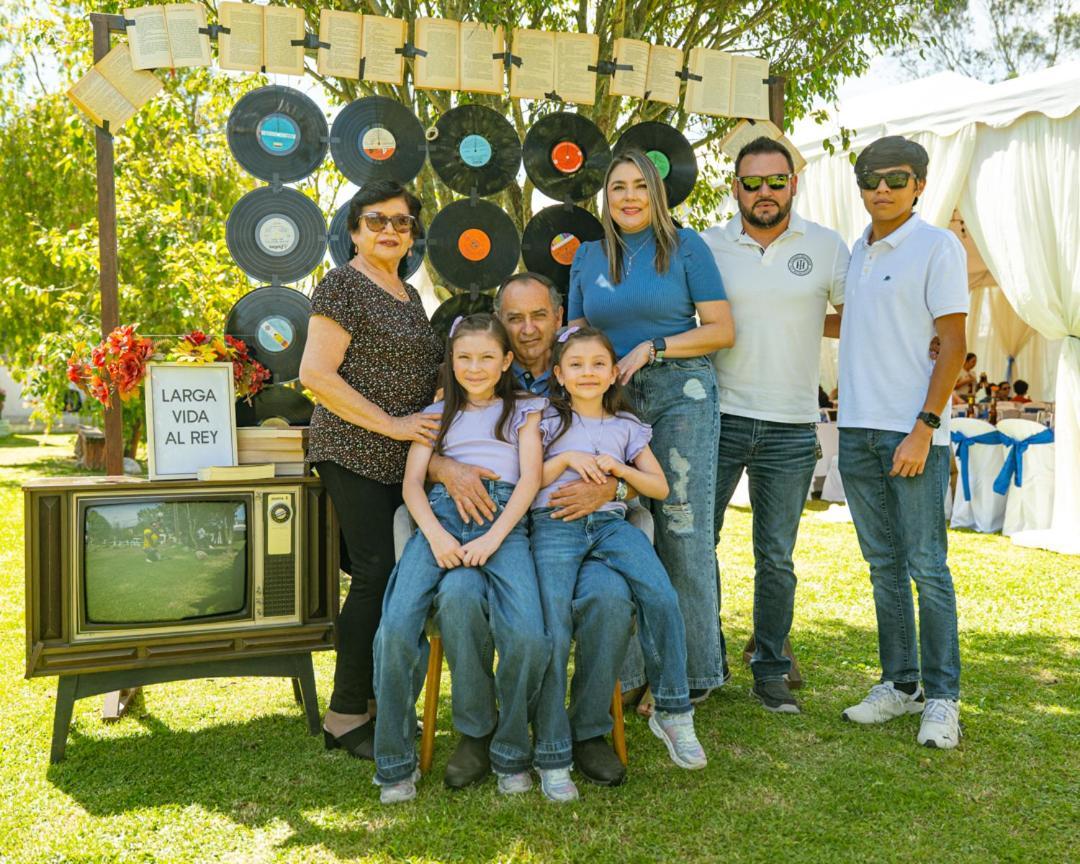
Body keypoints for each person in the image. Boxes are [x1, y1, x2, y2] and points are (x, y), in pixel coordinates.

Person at [426, 272, 635, 789]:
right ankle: (478, 730)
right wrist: (444, 469)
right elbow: (425, 448)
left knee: (609, 598)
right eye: (514, 317)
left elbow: (630, 452)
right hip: (490, 535)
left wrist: (616, 492)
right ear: (499, 322)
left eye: (538, 315)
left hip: (571, 534)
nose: (526, 328)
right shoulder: (475, 373)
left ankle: (584, 730)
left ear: (559, 318)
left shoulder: (587, 373)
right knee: (457, 596)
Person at [569, 150, 735, 702]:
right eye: (618, 187)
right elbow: (575, 333)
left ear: (657, 194)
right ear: (605, 197)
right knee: (631, 524)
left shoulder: (687, 248)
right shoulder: (588, 256)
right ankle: (634, 670)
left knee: (682, 529)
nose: (630, 197)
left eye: (640, 186)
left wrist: (653, 347)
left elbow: (721, 330)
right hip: (610, 400)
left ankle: (693, 675)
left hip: (680, 391)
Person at [372, 314, 550, 803]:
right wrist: (436, 538)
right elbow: (412, 485)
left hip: (504, 521)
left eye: (487, 357)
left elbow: (531, 480)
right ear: (451, 362)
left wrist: (492, 539)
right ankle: (394, 764)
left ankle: (512, 750)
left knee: (530, 636)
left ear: (506, 361)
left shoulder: (526, 411)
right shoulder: (437, 411)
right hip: (441, 520)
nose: (475, 367)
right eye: (464, 357)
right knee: (395, 629)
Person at [702, 136, 849, 713]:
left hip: (791, 425)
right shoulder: (708, 246)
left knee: (776, 557)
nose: (765, 192)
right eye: (752, 182)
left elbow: (857, 311)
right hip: (716, 418)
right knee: (697, 547)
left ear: (793, 183)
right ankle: (704, 657)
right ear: (735, 187)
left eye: (775, 181)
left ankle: (769, 667)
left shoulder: (828, 246)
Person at [532, 326, 707, 801]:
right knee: (552, 630)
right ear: (559, 374)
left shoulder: (627, 426)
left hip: (610, 525)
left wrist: (619, 471)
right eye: (576, 364)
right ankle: (552, 753)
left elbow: (659, 488)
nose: (587, 372)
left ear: (613, 374)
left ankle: (673, 710)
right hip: (554, 526)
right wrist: (566, 458)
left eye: (597, 364)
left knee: (661, 595)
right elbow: (525, 480)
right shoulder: (544, 419)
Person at [300, 180, 442, 761]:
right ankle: (345, 712)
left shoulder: (409, 294)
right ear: (355, 230)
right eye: (376, 220)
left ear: (411, 235)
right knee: (375, 572)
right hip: (353, 451)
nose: (389, 230)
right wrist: (395, 425)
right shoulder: (342, 284)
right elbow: (316, 374)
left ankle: (381, 700)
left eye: (401, 222)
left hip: (399, 460)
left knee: (397, 578)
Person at [837, 136, 967, 749]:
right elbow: (854, 323)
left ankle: (943, 699)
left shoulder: (936, 246)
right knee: (882, 566)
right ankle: (900, 684)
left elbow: (955, 343)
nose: (881, 188)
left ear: (919, 184)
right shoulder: (854, 253)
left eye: (896, 178)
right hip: (857, 428)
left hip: (913, 431)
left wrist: (925, 427)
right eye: (870, 178)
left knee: (927, 569)